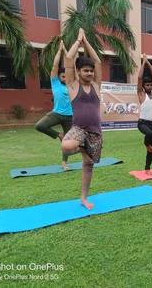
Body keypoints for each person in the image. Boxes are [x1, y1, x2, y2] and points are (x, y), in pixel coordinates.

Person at [61, 28, 103, 210]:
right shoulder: (72, 85)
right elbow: (69, 60)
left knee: (89, 165)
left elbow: (98, 61)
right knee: (66, 146)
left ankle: (84, 198)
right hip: (79, 129)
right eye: (86, 71)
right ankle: (83, 147)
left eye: (91, 71)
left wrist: (87, 42)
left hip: (95, 132)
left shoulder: (96, 85)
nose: (90, 74)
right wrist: (78, 42)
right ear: (78, 72)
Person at [35, 41, 73, 170]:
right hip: (56, 113)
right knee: (39, 125)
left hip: (70, 117)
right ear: (58, 76)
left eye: (67, 76)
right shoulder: (55, 83)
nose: (65, 77)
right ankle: (58, 135)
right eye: (63, 76)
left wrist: (67, 52)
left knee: (67, 143)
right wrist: (59, 50)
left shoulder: (73, 85)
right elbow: (55, 66)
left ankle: (64, 163)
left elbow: (71, 64)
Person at [137, 54, 152, 175]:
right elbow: (139, 79)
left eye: (151, 85)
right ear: (144, 87)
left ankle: (147, 168)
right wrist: (143, 63)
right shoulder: (142, 94)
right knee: (149, 137)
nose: (149, 86)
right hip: (143, 123)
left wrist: (148, 62)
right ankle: (145, 143)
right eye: (147, 85)